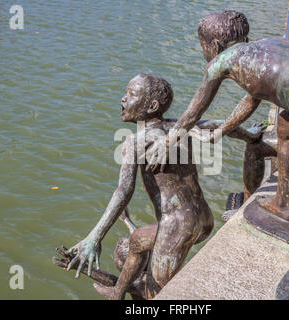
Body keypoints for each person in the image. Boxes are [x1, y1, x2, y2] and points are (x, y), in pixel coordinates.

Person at [144, 24, 289, 282]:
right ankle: (282, 203)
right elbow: (252, 98)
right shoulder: (264, 47)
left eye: (203, 46)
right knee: (285, 124)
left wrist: (167, 143)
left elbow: (192, 113)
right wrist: (220, 131)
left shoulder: (221, 62)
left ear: (214, 45)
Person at [65, 73, 216, 300]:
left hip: (178, 225)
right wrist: (250, 134)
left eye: (132, 94)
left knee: (156, 294)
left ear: (152, 106)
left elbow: (123, 192)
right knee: (136, 242)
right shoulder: (178, 127)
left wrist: (94, 237)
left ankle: (119, 293)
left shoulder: (135, 142)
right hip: (205, 219)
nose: (123, 99)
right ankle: (118, 292)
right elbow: (216, 125)